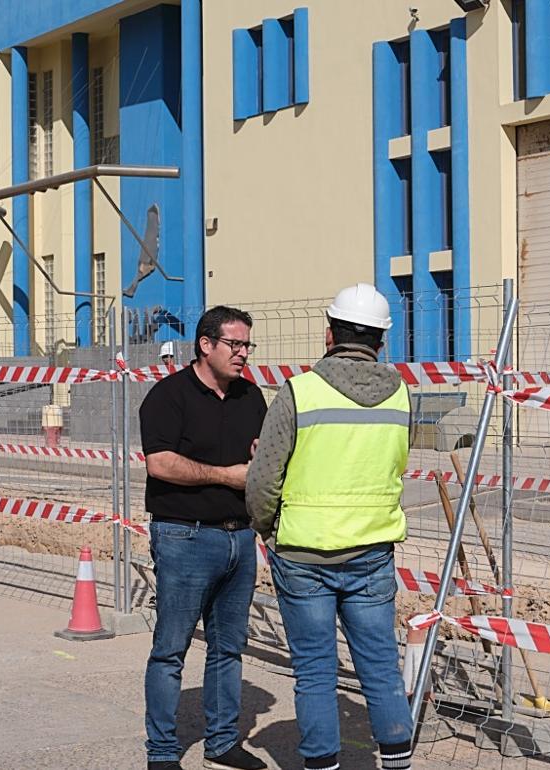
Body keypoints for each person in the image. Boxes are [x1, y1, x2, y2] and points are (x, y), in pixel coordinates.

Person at [245, 283, 414, 770]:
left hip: (303, 554)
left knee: (315, 670)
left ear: (328, 334)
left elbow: (263, 480)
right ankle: (398, 759)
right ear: (382, 340)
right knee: (380, 665)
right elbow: (395, 466)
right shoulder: (402, 395)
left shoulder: (299, 392)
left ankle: (322, 762)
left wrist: (267, 528)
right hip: (372, 551)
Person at [140, 306, 269, 770]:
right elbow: (161, 463)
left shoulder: (251, 397)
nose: (243, 354)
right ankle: (161, 751)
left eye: (247, 345)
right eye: (235, 345)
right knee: (171, 649)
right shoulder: (167, 397)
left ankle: (221, 741)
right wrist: (228, 477)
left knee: (228, 647)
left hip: (240, 539)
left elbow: (263, 459)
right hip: (185, 538)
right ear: (205, 344)